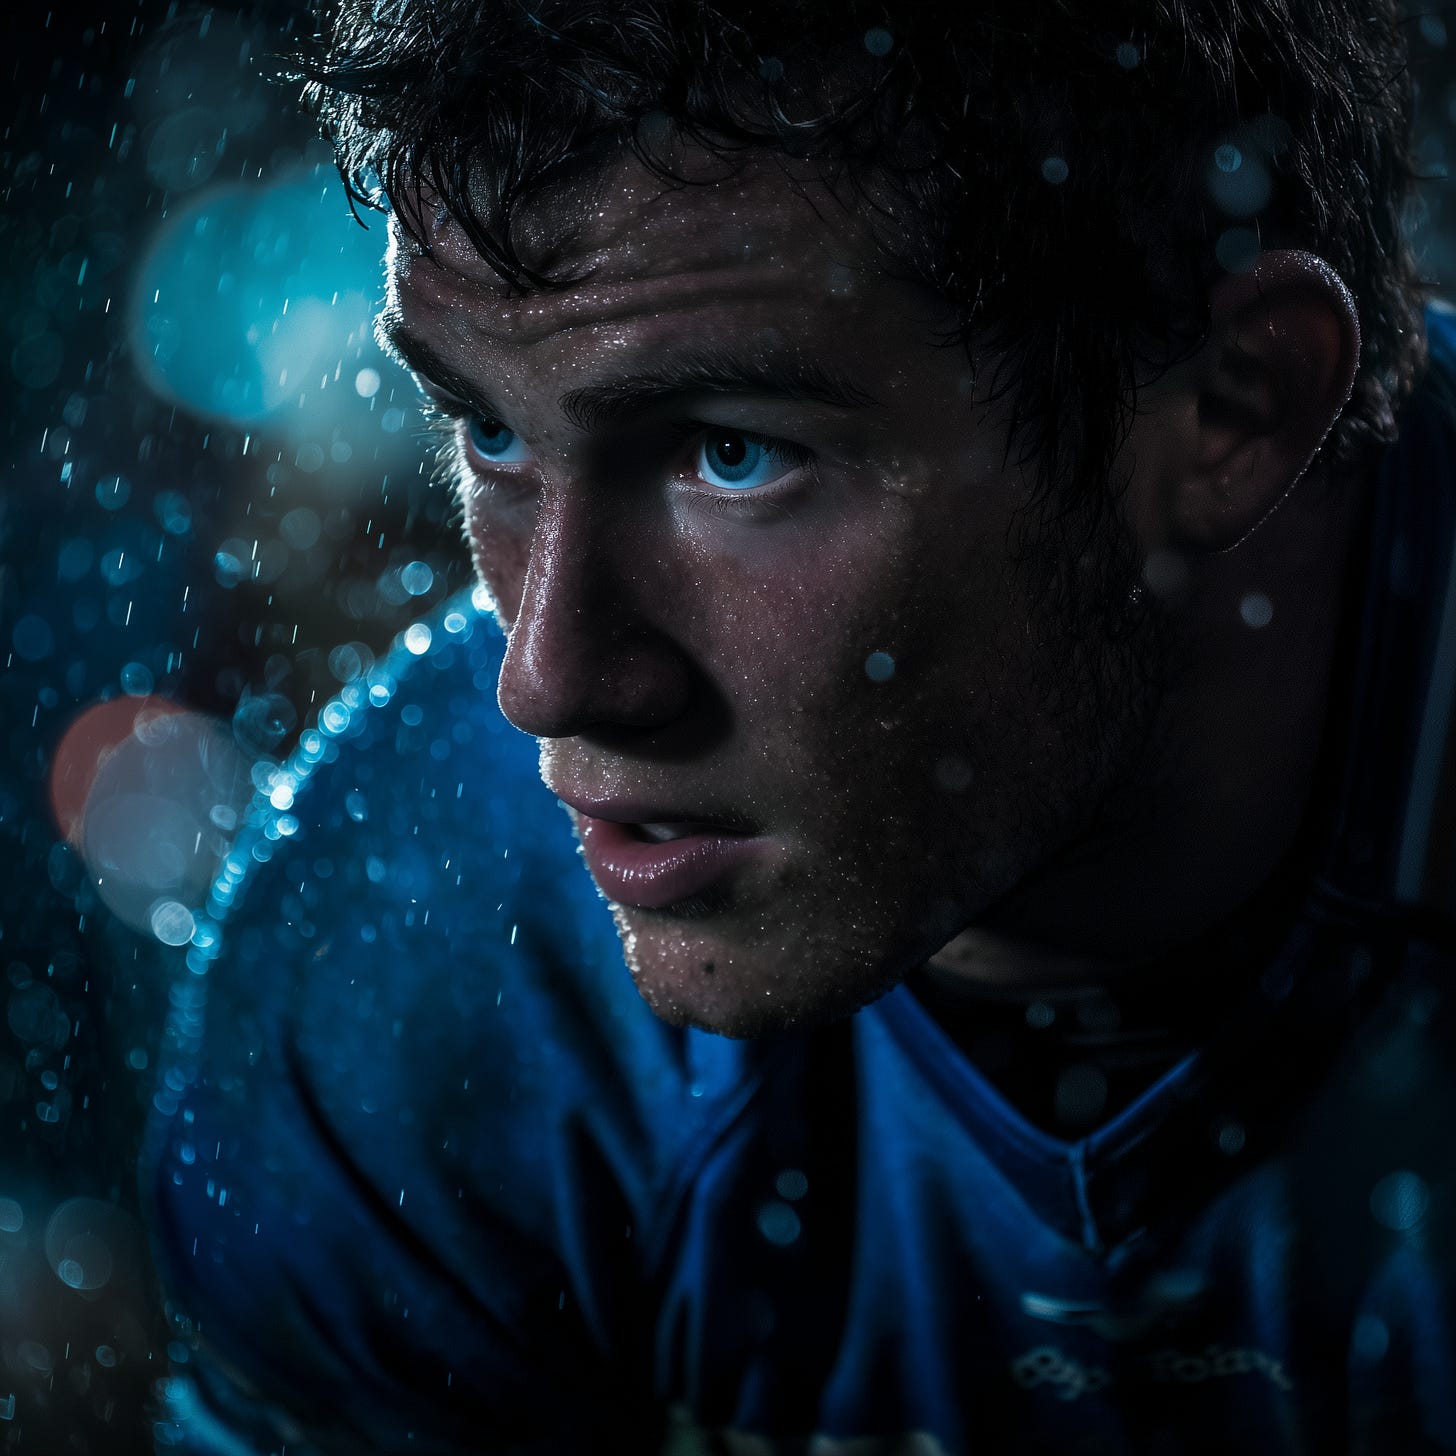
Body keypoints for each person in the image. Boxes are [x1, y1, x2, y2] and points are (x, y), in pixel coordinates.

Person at [143, 2, 1456, 1451]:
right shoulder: (420, 956)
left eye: (733, 453)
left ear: (1233, 409)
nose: (549, 678)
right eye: (491, 432)